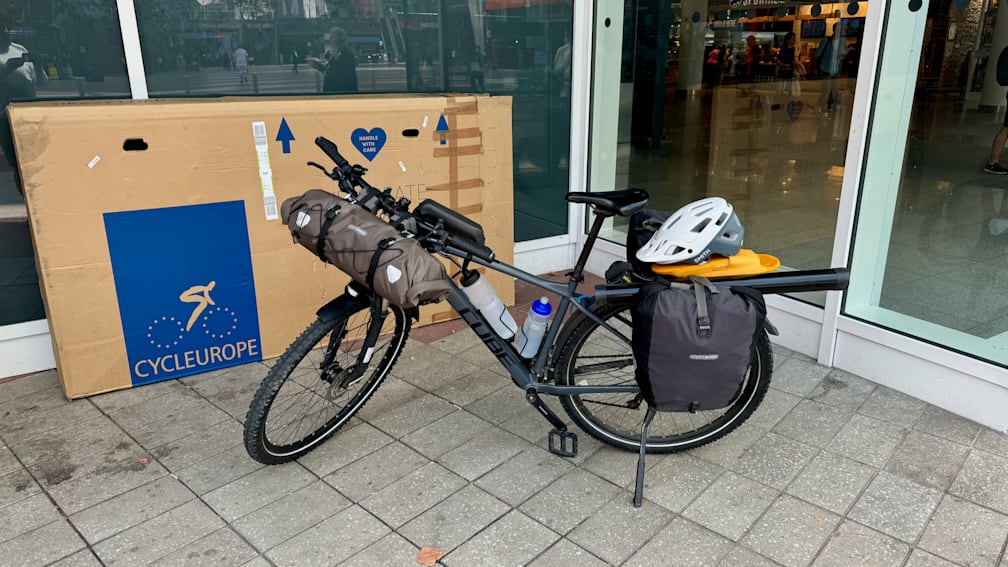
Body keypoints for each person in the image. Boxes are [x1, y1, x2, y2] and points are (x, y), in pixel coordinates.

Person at [0, 27, 43, 194]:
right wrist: (8, 69)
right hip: (5, 117)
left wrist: (39, 65)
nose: (6, 34)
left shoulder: (20, 49)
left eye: (7, 30)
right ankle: (27, 200)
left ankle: (40, 197)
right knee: (18, 163)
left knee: (37, 159)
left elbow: (40, 82)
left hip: (30, 113)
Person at [307, 27, 358, 93]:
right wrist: (317, 65)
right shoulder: (329, 53)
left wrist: (336, 59)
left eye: (332, 37)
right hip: (330, 89)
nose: (330, 39)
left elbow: (346, 75)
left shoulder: (348, 54)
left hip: (342, 91)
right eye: (330, 37)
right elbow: (326, 67)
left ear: (340, 39)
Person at [815, 23, 843, 112]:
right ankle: (822, 107)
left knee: (833, 90)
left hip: (835, 70)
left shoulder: (841, 42)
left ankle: (828, 107)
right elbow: (818, 54)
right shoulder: (826, 40)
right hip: (825, 69)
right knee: (827, 90)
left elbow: (842, 55)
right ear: (834, 30)